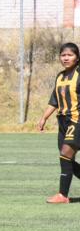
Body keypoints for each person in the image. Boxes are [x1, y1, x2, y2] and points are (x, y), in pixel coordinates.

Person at [38, 42, 80, 204]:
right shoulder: (60, 76)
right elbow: (54, 100)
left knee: (66, 154)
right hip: (62, 122)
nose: (66, 58)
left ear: (77, 58)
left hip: (76, 120)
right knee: (65, 159)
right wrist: (44, 118)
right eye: (63, 55)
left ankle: (62, 195)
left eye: (70, 55)